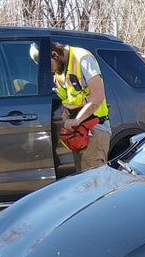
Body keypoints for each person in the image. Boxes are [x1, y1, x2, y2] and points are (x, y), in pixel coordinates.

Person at [32, 41, 110, 172]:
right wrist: (65, 111)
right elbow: (70, 98)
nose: (50, 71)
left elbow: (98, 95)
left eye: (49, 66)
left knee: (92, 182)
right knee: (81, 180)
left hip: (94, 128)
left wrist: (77, 119)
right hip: (78, 132)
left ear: (55, 55)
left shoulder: (82, 59)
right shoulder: (59, 72)